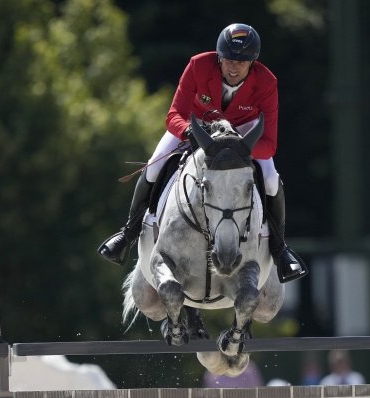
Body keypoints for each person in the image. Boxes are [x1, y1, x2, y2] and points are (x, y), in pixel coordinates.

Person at [98, 23, 307, 283]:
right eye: (228, 59)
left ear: (253, 62)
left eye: (241, 62)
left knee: (272, 179)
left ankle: (280, 249)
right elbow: (174, 113)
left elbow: (269, 142)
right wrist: (187, 131)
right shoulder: (198, 65)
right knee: (153, 165)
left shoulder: (266, 81)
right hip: (198, 128)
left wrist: (237, 146)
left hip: (243, 135)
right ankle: (127, 234)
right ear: (219, 57)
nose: (233, 67)